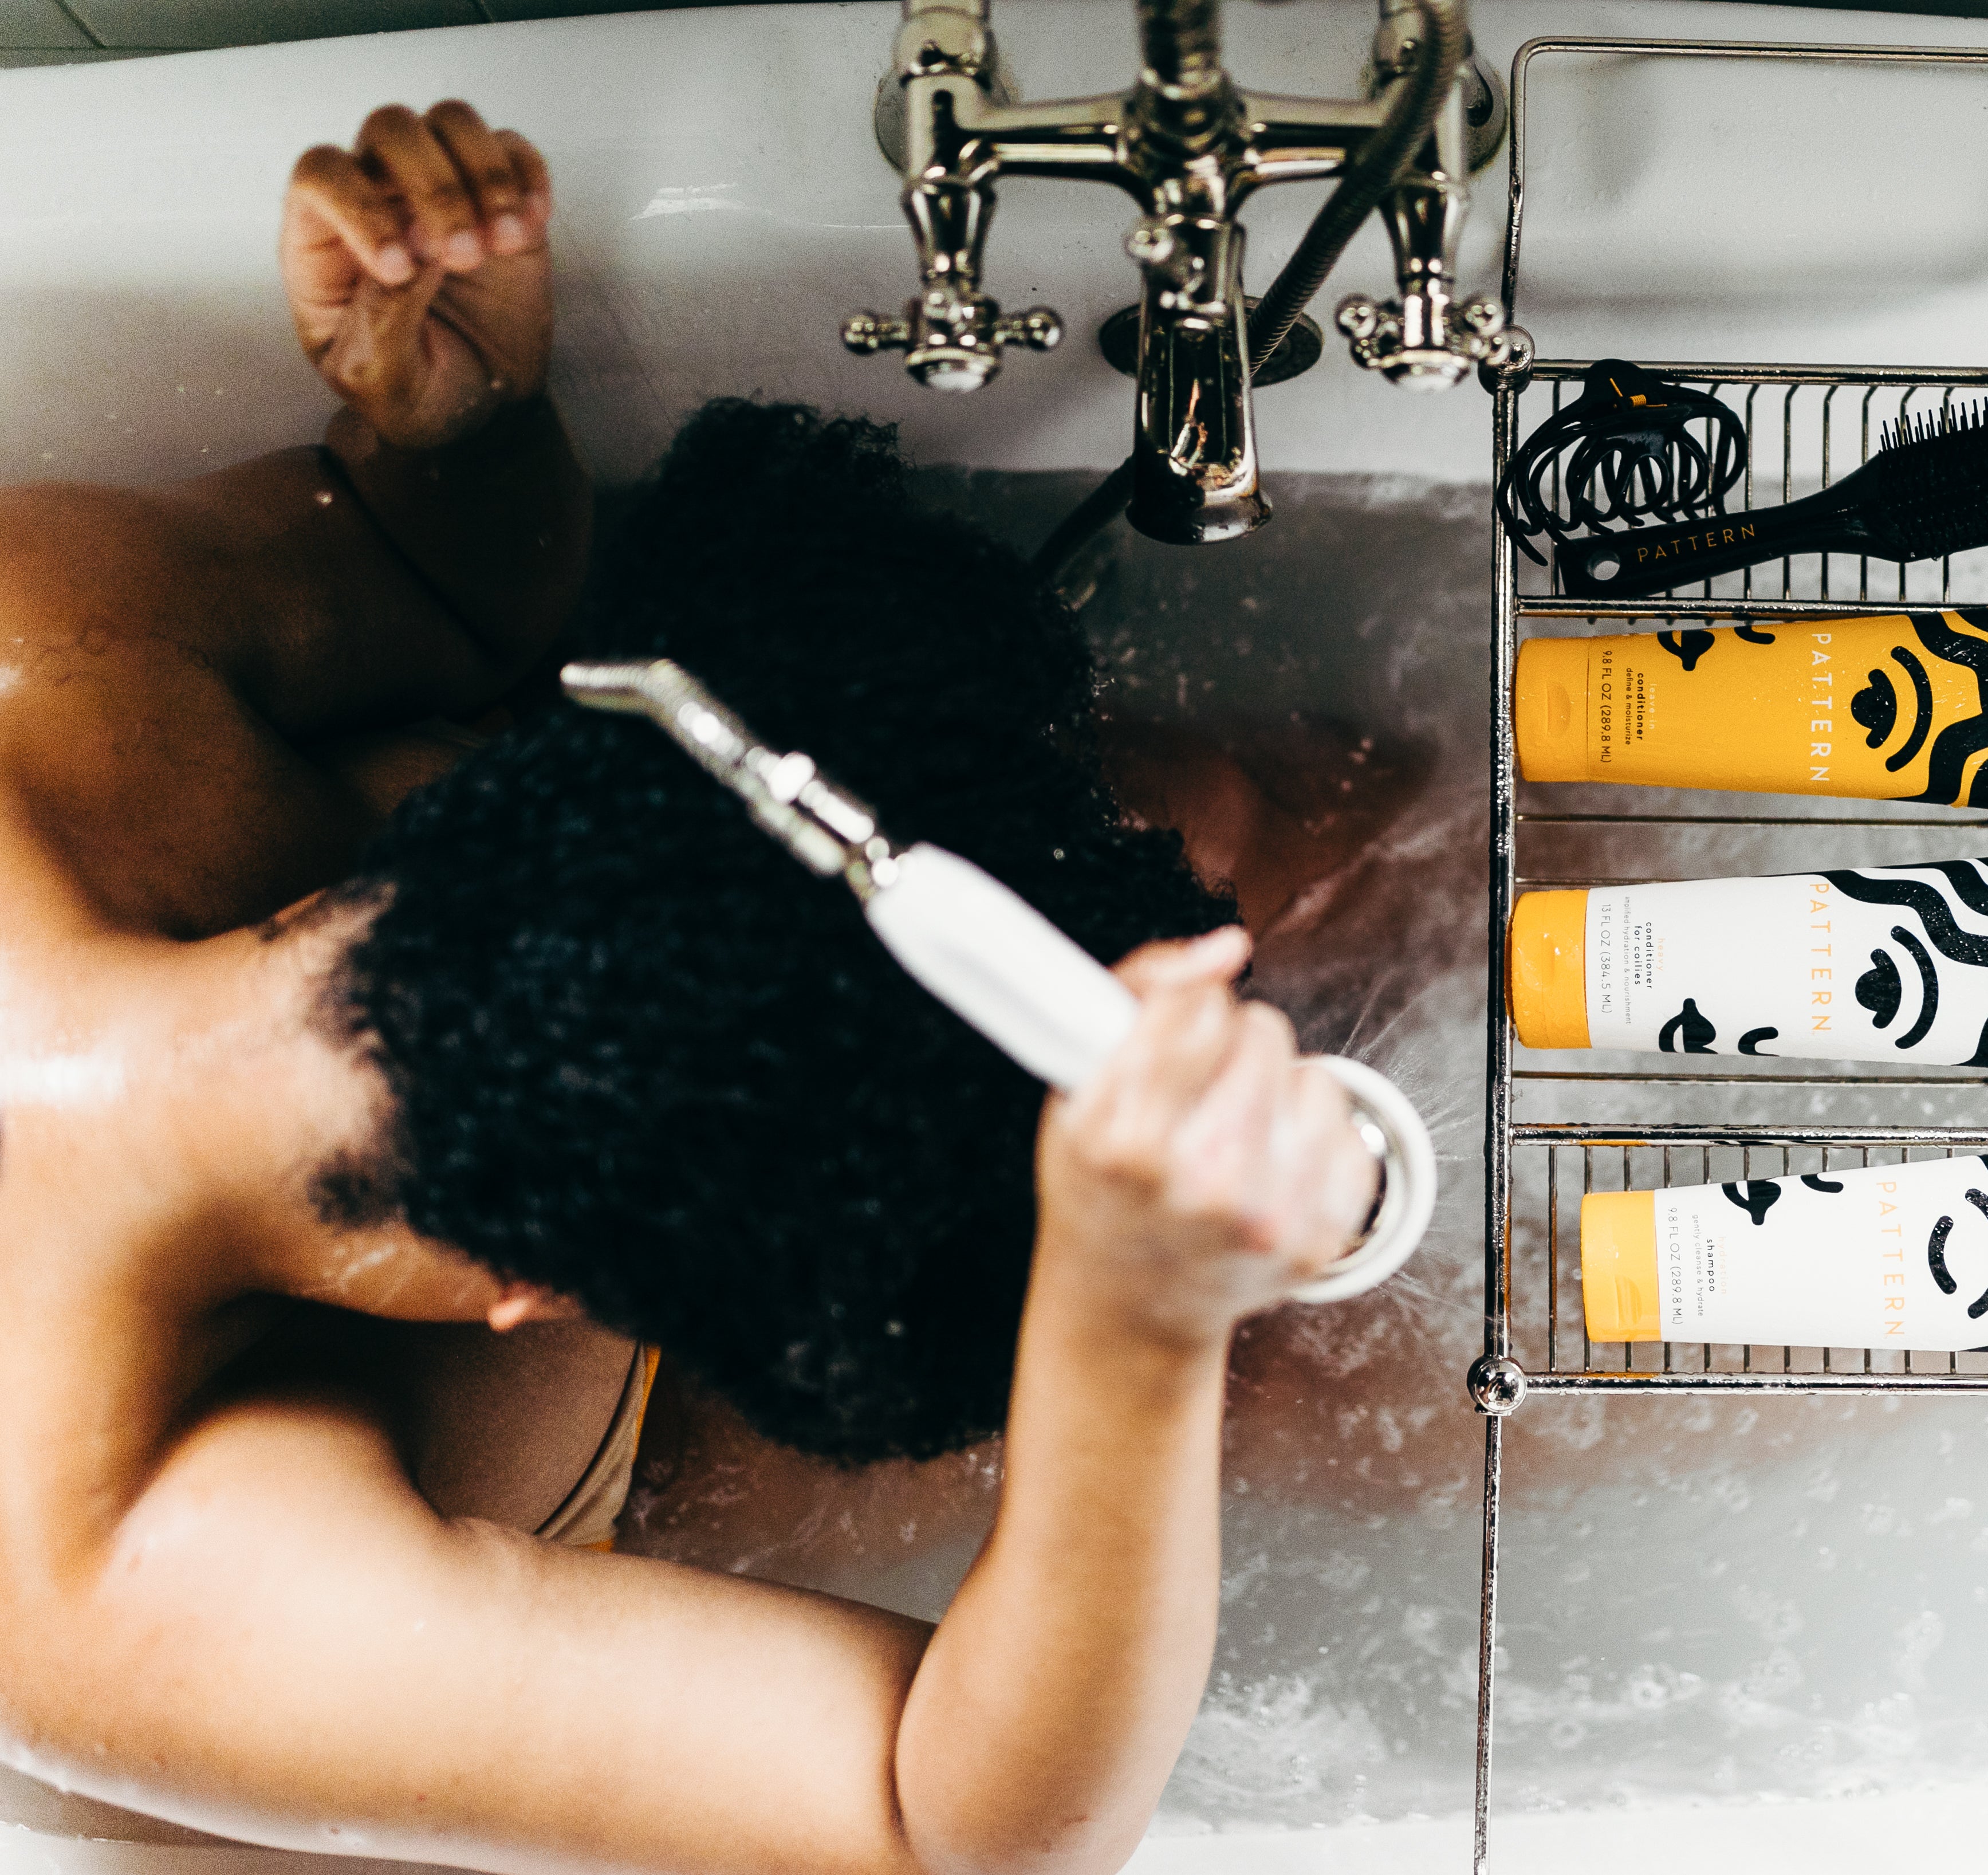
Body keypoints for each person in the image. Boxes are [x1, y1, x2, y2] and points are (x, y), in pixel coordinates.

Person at [0, 99, 1377, 1872]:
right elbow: (947, 1816)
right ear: (537, 1290)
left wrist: (451, 437)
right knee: (1314, 1358)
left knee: (1225, 818)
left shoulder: (55, 670)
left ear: (518, 800)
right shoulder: (123, 1573)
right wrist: (1134, 1324)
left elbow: (457, 604)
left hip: (624, 1109)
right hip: (552, 1522)